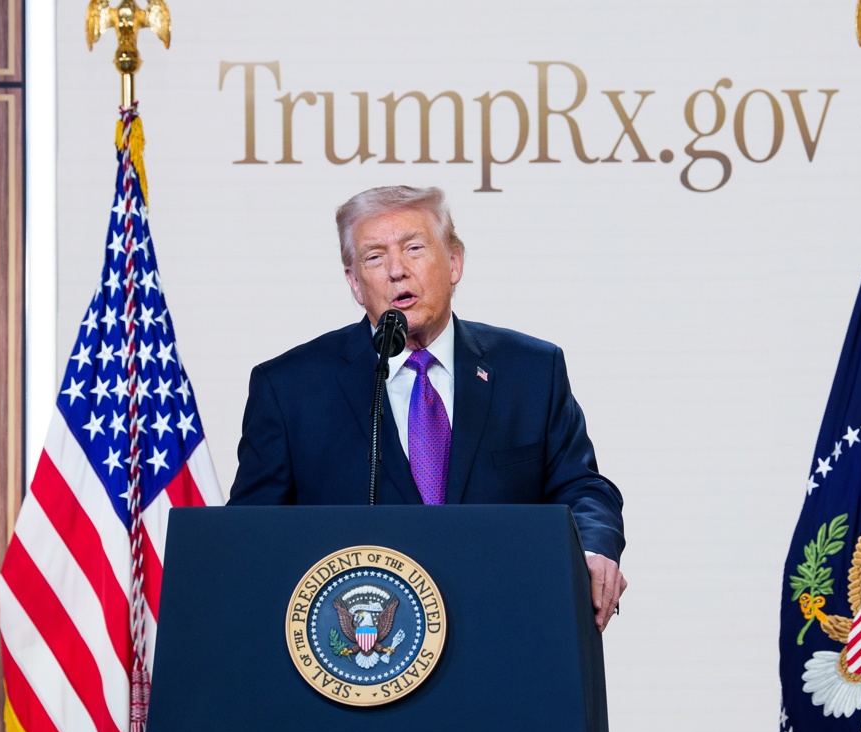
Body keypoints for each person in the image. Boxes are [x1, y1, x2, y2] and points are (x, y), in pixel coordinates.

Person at [229, 185, 626, 631]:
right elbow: (249, 537)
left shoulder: (532, 370)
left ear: (454, 262)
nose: (397, 271)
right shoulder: (290, 389)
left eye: (414, 249)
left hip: (506, 630)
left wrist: (593, 550)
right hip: (364, 656)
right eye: (374, 257)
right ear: (355, 283)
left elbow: (583, 487)